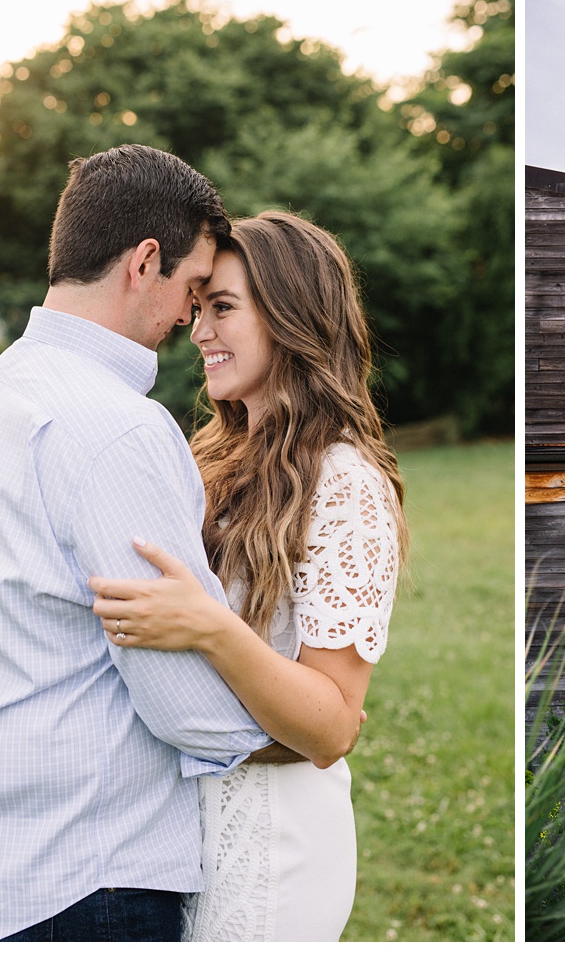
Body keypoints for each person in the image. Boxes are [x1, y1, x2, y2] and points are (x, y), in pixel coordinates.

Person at [0, 144, 274, 942]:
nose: (189, 317)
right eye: (191, 288)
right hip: (81, 876)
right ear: (146, 261)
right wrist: (303, 717)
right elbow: (191, 712)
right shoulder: (117, 429)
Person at [86, 210, 406, 941]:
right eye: (197, 309)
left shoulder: (346, 482)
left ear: (294, 318)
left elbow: (330, 727)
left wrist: (209, 626)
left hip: (271, 850)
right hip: (175, 834)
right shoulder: (212, 458)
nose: (198, 331)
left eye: (222, 308)